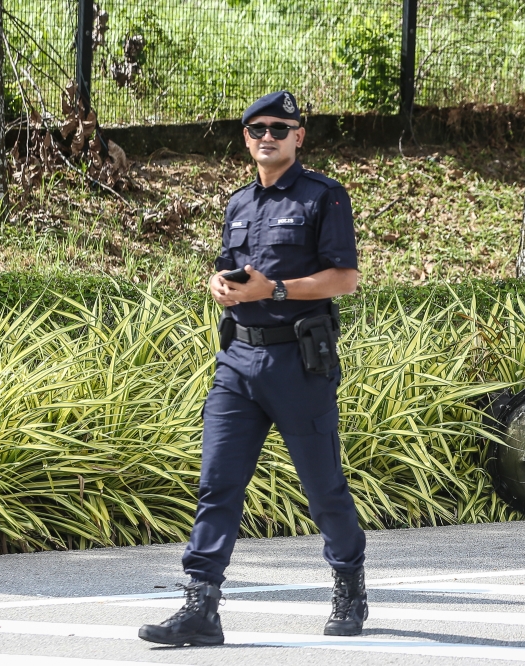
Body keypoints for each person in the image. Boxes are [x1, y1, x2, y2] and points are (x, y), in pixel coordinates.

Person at [138, 90, 367, 647]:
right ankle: (201, 606)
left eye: (279, 128)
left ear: (298, 136)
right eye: (257, 128)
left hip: (297, 362)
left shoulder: (324, 197)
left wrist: (280, 289)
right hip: (237, 360)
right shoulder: (239, 202)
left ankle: (348, 584)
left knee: (323, 488)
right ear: (246, 138)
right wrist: (215, 284)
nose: (268, 136)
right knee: (217, 484)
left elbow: (345, 278)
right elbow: (227, 269)